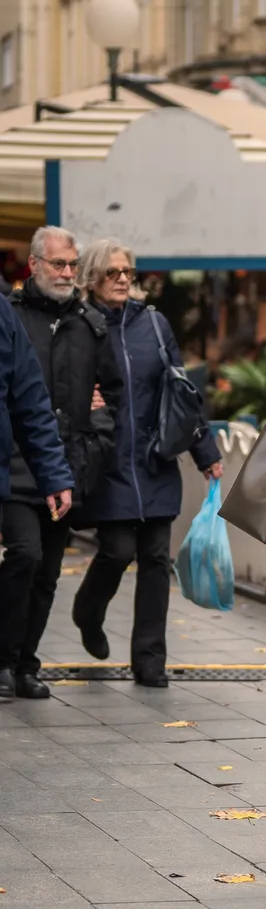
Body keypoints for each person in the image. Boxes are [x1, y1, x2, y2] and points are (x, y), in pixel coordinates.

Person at [71, 239, 222, 689]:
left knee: (156, 558)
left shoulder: (154, 324)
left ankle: (150, 660)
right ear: (92, 277)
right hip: (109, 461)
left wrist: (205, 452)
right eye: (113, 272)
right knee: (117, 550)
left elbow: (181, 393)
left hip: (155, 458)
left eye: (128, 272)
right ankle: (87, 610)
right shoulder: (81, 327)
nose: (122, 279)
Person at [0, 226, 123, 700]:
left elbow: (112, 392)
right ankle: (4, 658)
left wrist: (99, 427)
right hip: (15, 466)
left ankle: (26, 664)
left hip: (66, 464)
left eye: (72, 264)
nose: (68, 273)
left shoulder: (89, 323)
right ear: (34, 265)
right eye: (58, 264)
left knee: (48, 572)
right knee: (24, 556)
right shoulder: (11, 316)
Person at [0, 294, 75, 699]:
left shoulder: (2, 315)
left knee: (35, 563)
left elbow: (30, 403)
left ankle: (15, 662)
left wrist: (54, 476)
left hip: (19, 475)